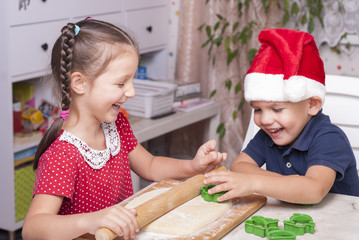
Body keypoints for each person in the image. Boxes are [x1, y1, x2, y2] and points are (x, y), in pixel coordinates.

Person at [22, 19, 227, 240]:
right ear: (79, 83)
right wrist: (92, 220)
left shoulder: (115, 125)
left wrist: (193, 166)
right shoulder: (62, 155)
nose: (131, 92)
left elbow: (150, 165)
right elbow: (33, 228)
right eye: (121, 83)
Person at [204, 28, 359, 205]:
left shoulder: (329, 138)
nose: (265, 120)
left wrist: (255, 182)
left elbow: (313, 191)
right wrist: (285, 185)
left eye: (276, 109)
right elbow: (239, 167)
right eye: (258, 110)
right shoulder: (268, 135)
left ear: (312, 105)